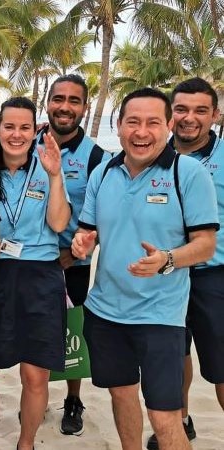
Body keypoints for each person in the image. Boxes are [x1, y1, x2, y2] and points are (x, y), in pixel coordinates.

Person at [72, 87, 219, 450]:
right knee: (121, 398)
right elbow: (89, 231)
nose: (142, 132)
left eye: (153, 122)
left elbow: (205, 244)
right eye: (133, 122)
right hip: (105, 313)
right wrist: (83, 242)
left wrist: (167, 260)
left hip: (160, 317)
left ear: (168, 125)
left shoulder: (188, 173)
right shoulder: (103, 173)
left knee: (164, 415)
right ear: (118, 125)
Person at [0, 97, 71, 450]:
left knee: (35, 373)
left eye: (25, 127)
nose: (16, 134)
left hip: (40, 276)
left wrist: (56, 176)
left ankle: (26, 442)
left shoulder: (47, 168)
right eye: (9, 127)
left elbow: (58, 223)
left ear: (35, 130)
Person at [146, 77, 224, 450]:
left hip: (214, 278)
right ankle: (181, 420)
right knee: (173, 356)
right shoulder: (153, 155)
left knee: (221, 365)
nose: (189, 117)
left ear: (215, 114)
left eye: (200, 110)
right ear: (169, 114)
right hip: (163, 274)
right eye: (181, 109)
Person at [38, 74, 111, 436]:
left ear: (84, 107)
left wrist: (74, 251)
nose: (64, 106)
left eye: (74, 100)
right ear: (47, 102)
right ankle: (33, 397)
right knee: (31, 333)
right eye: (58, 98)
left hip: (72, 263)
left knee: (72, 335)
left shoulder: (98, 156)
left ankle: (72, 399)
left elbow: (104, 215)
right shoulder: (25, 141)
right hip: (29, 262)